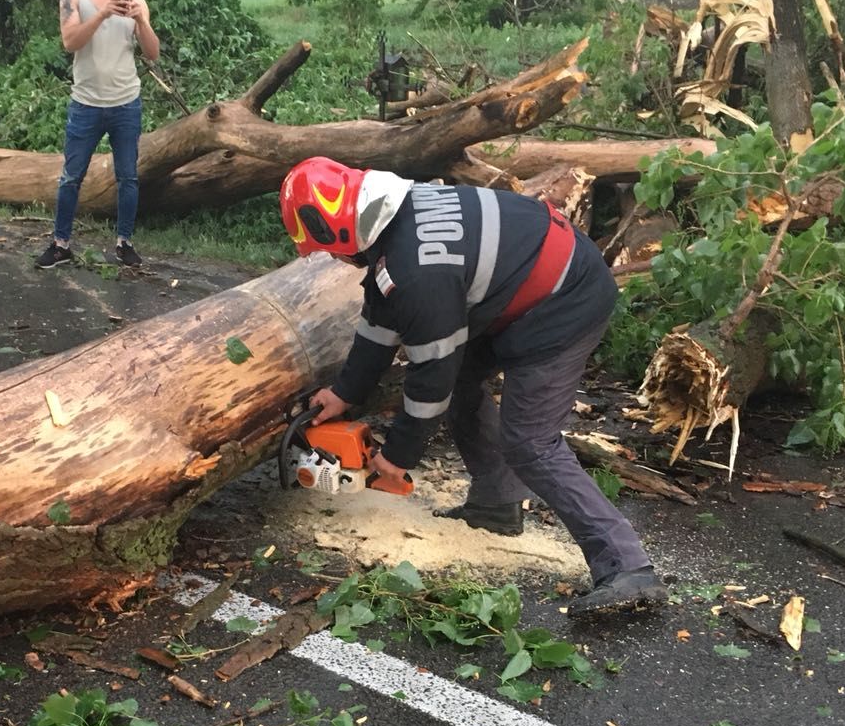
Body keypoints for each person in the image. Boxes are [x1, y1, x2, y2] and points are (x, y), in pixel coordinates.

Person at [282, 157, 668, 616]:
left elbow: (431, 378)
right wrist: (344, 392)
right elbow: (381, 320)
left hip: (566, 301)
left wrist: (397, 456)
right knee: (464, 383)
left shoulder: (418, 270)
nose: (330, 258)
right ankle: (496, 504)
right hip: (519, 293)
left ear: (332, 227)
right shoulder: (398, 223)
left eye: (324, 247)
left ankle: (628, 566)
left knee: (529, 440)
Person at [35, 0, 159, 271]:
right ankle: (61, 244)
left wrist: (140, 21)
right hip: (86, 102)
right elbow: (70, 42)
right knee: (72, 176)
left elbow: (153, 54)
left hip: (126, 102)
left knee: (128, 177)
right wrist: (103, 13)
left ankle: (125, 243)